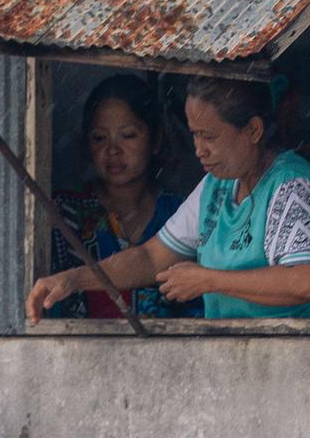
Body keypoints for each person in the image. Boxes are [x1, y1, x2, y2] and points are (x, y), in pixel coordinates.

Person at [26, 77, 310, 322]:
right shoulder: (215, 188)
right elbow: (151, 258)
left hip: (304, 363)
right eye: (195, 134)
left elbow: (308, 280)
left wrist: (208, 280)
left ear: (253, 130)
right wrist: (74, 279)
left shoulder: (291, 185)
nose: (199, 150)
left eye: (210, 136)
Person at [46, 74, 198, 321]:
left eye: (127, 135)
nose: (113, 150)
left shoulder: (180, 214)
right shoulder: (64, 216)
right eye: (99, 138)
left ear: (156, 139)